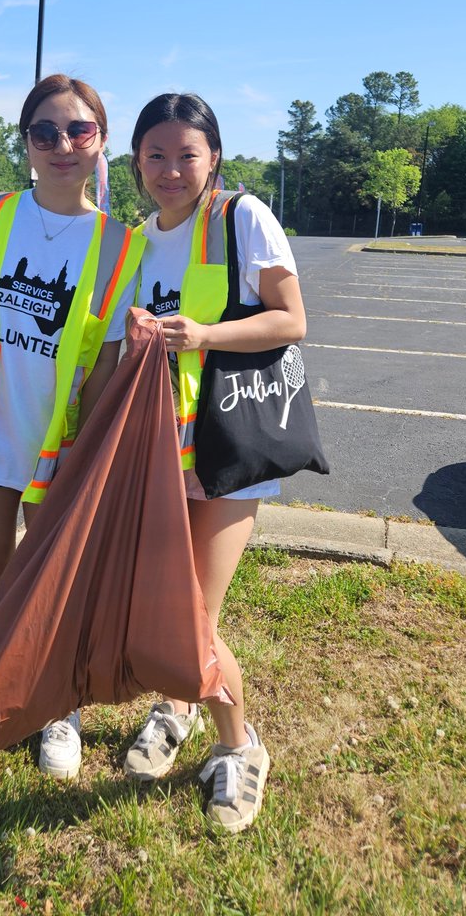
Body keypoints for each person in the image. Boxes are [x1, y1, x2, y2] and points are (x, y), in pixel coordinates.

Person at [0, 74, 144, 781]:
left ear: (101, 141)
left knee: (53, 579)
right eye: (44, 132)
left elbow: (110, 363)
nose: (62, 144)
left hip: (57, 444)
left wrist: (91, 454)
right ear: (25, 142)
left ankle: (59, 708)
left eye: (78, 130)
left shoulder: (122, 246)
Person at [124, 92, 307, 834]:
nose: (171, 170)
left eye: (186, 154)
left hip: (226, 445)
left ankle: (240, 748)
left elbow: (292, 319)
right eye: (156, 155)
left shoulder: (242, 217)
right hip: (162, 445)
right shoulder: (137, 238)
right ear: (135, 161)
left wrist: (203, 335)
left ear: (214, 158)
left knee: (188, 613)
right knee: (185, 599)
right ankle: (175, 706)